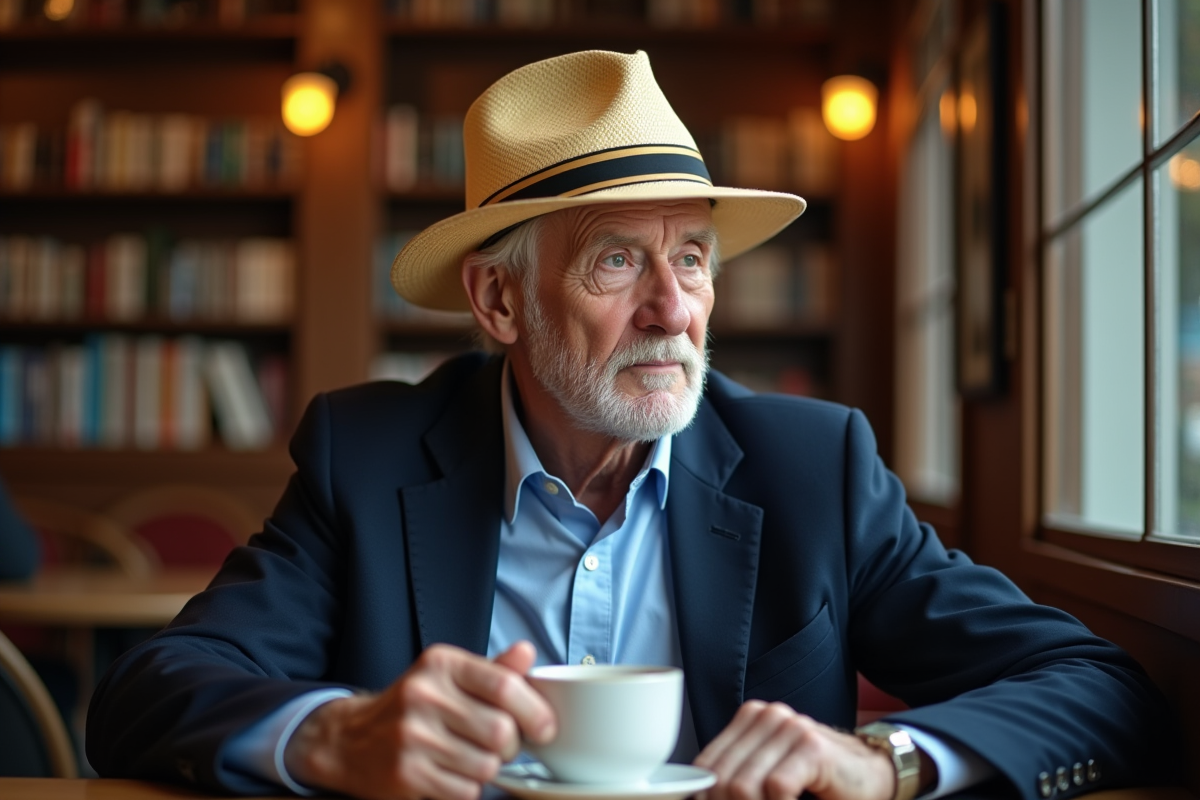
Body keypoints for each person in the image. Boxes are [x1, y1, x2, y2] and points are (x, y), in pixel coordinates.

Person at [87, 50, 1177, 800]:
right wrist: (331, 736)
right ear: (499, 300)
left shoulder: (813, 469)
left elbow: (1099, 688)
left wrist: (881, 761)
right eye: (617, 260)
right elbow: (149, 692)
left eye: (692, 258)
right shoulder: (365, 459)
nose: (673, 309)